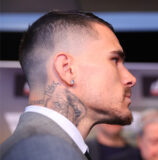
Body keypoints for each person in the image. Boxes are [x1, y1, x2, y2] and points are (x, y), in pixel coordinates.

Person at [0, 10, 136, 160]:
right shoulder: (45, 150)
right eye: (115, 60)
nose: (130, 78)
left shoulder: (45, 146)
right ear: (67, 69)